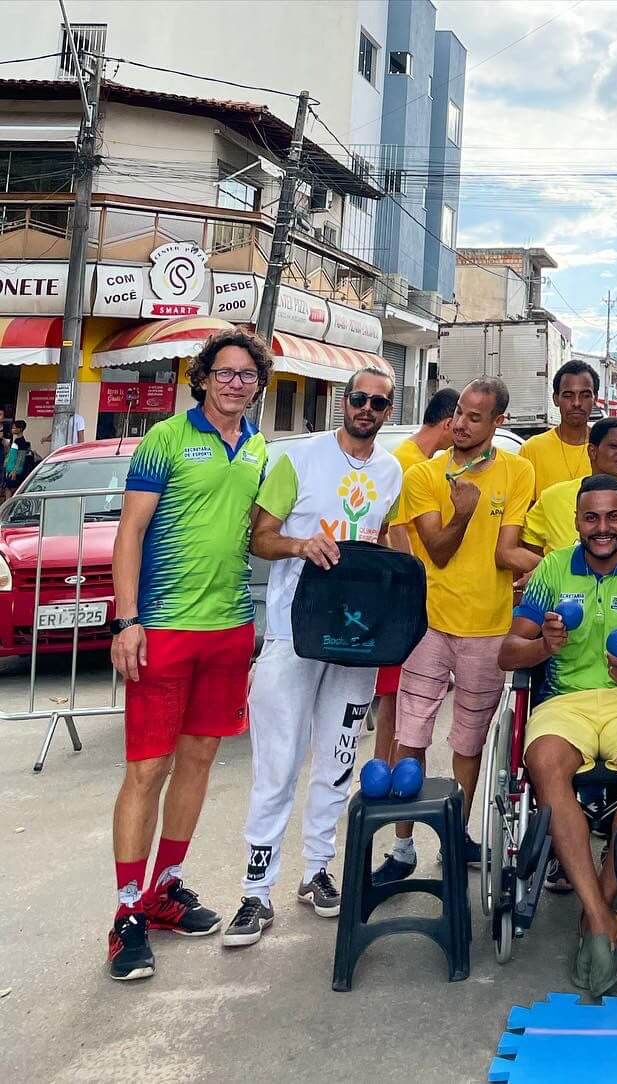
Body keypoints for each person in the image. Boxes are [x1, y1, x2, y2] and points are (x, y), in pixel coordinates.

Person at [104, 329, 270, 981]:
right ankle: (125, 916)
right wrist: (126, 621)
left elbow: (258, 532)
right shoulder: (166, 439)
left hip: (229, 630)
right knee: (148, 769)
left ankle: (164, 890)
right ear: (202, 379)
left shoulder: (258, 447)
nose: (236, 383)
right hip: (164, 630)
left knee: (199, 761)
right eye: (225, 373)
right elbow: (130, 532)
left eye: (247, 375)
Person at [222, 368, 404, 947]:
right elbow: (259, 537)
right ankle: (255, 892)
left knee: (338, 761)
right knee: (277, 764)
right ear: (342, 402)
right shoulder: (296, 461)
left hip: (357, 640)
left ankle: (317, 872)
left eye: (379, 402)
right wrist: (301, 544)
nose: (367, 409)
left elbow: (390, 539)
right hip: (292, 635)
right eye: (359, 398)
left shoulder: (390, 469)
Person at [499, 474, 617, 997]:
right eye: (591, 517)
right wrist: (544, 645)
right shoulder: (551, 570)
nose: (602, 528)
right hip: (565, 702)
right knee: (544, 763)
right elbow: (507, 654)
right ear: (577, 521)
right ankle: (600, 916)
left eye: (613, 517)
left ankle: (596, 913)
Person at [372, 378, 538, 884]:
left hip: (489, 628)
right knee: (410, 735)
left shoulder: (519, 470)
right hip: (428, 624)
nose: (462, 424)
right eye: (459, 413)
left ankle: (454, 837)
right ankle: (402, 848)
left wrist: (553, 566)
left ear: (497, 423)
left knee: (470, 743)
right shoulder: (423, 474)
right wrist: (463, 512)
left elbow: (505, 549)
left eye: (475, 416)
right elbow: (438, 551)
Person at [372, 386, 460, 764]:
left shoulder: (416, 457)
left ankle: (384, 774)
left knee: (397, 699)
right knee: (396, 699)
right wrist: (413, 587)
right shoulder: (409, 463)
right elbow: (394, 530)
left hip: (407, 597)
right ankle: (385, 776)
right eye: (461, 422)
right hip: (403, 599)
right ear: (446, 423)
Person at [522, 417, 617, 555]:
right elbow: (528, 541)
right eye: (615, 446)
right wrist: (548, 571)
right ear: (592, 451)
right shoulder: (552, 498)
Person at [519, 359, 599, 500]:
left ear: (595, 399)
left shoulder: (606, 448)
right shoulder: (532, 449)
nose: (576, 403)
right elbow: (525, 510)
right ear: (556, 399)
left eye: (585, 395)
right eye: (568, 396)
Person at [3, 419, 33, 497]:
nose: (12, 429)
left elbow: (21, 458)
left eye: (14, 427)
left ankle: (8, 505)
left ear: (20, 429)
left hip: (15, 471)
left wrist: (15, 471)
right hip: (11, 469)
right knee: (8, 487)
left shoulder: (21, 442)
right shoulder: (16, 440)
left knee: (10, 488)